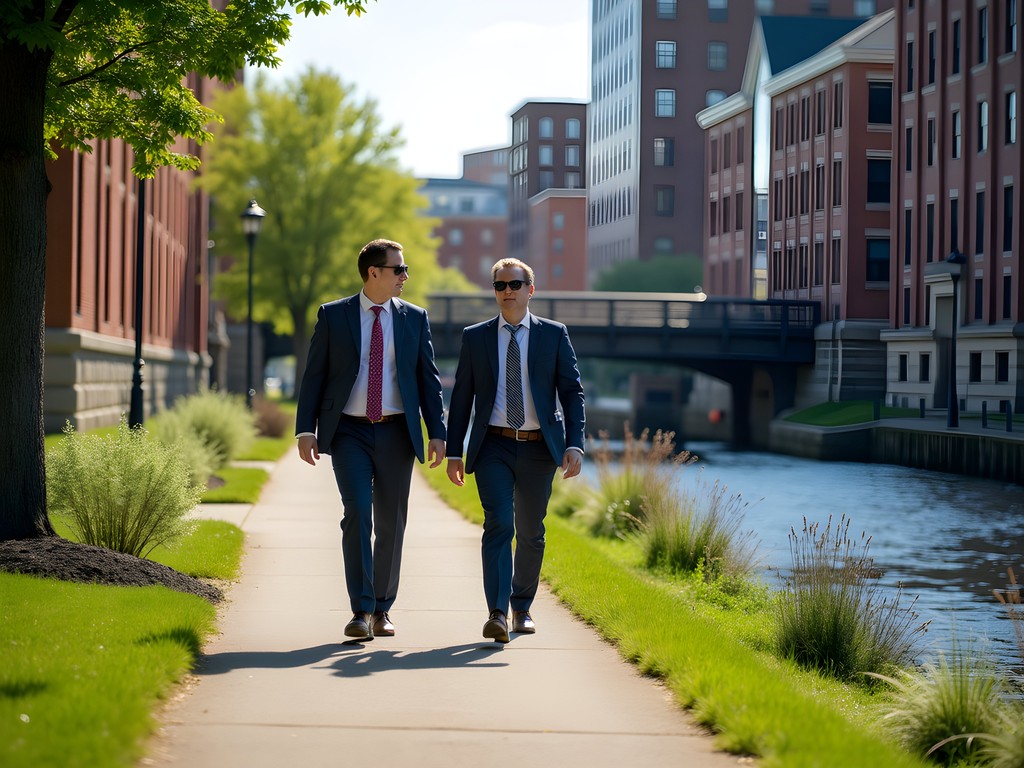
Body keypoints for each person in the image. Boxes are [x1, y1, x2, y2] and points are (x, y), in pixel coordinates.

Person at [295, 238, 446, 641]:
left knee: (392, 523)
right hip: (349, 431)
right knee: (358, 511)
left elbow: (428, 380)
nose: (405, 276)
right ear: (373, 272)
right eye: (398, 269)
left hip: (398, 430)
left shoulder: (414, 318)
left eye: (405, 269)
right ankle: (360, 611)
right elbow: (315, 375)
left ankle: (383, 609)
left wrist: (438, 433)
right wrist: (306, 428)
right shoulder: (333, 315)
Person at [445, 258, 585, 643]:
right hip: (493, 446)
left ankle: (522, 606)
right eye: (500, 284)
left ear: (530, 290)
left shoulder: (554, 335)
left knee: (531, 532)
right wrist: (454, 451)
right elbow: (462, 399)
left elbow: (572, 392)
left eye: (515, 284)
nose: (508, 290)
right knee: (499, 524)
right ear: (494, 291)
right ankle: (497, 612)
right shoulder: (476, 337)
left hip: (540, 448)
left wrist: (574, 443)